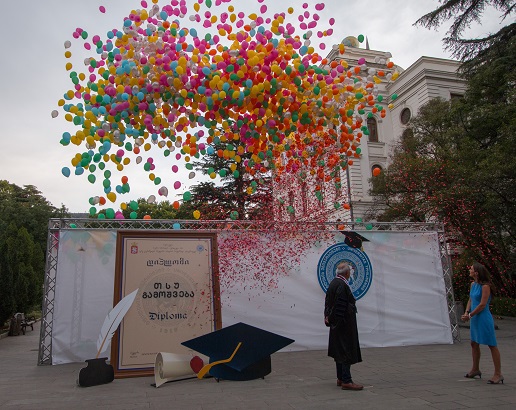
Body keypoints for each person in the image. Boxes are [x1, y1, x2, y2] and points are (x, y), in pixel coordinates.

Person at [461, 262, 503, 384]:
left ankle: (498, 373)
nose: (469, 270)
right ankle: (475, 369)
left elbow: (482, 305)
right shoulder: (473, 284)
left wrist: (469, 315)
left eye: (471, 268)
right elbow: (470, 299)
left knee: (491, 344)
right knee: (474, 343)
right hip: (475, 318)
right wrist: (466, 311)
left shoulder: (485, 286)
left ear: (477, 272)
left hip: (483, 318)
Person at [324, 262, 363, 390]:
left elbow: (328, 303)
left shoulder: (334, 283)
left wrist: (328, 318)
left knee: (339, 351)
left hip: (337, 324)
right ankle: (347, 380)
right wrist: (339, 322)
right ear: (347, 273)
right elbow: (340, 306)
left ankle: (340, 378)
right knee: (346, 351)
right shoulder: (341, 284)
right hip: (344, 324)